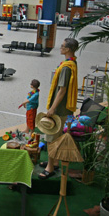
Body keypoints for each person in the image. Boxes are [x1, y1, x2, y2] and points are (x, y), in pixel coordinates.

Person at [38, 38, 79, 180]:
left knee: (51, 137)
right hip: (65, 109)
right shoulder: (73, 63)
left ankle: (50, 167)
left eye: (62, 46)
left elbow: (62, 90)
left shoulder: (66, 67)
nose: (60, 48)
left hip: (60, 109)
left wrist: (52, 108)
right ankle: (54, 162)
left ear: (68, 49)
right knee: (56, 136)